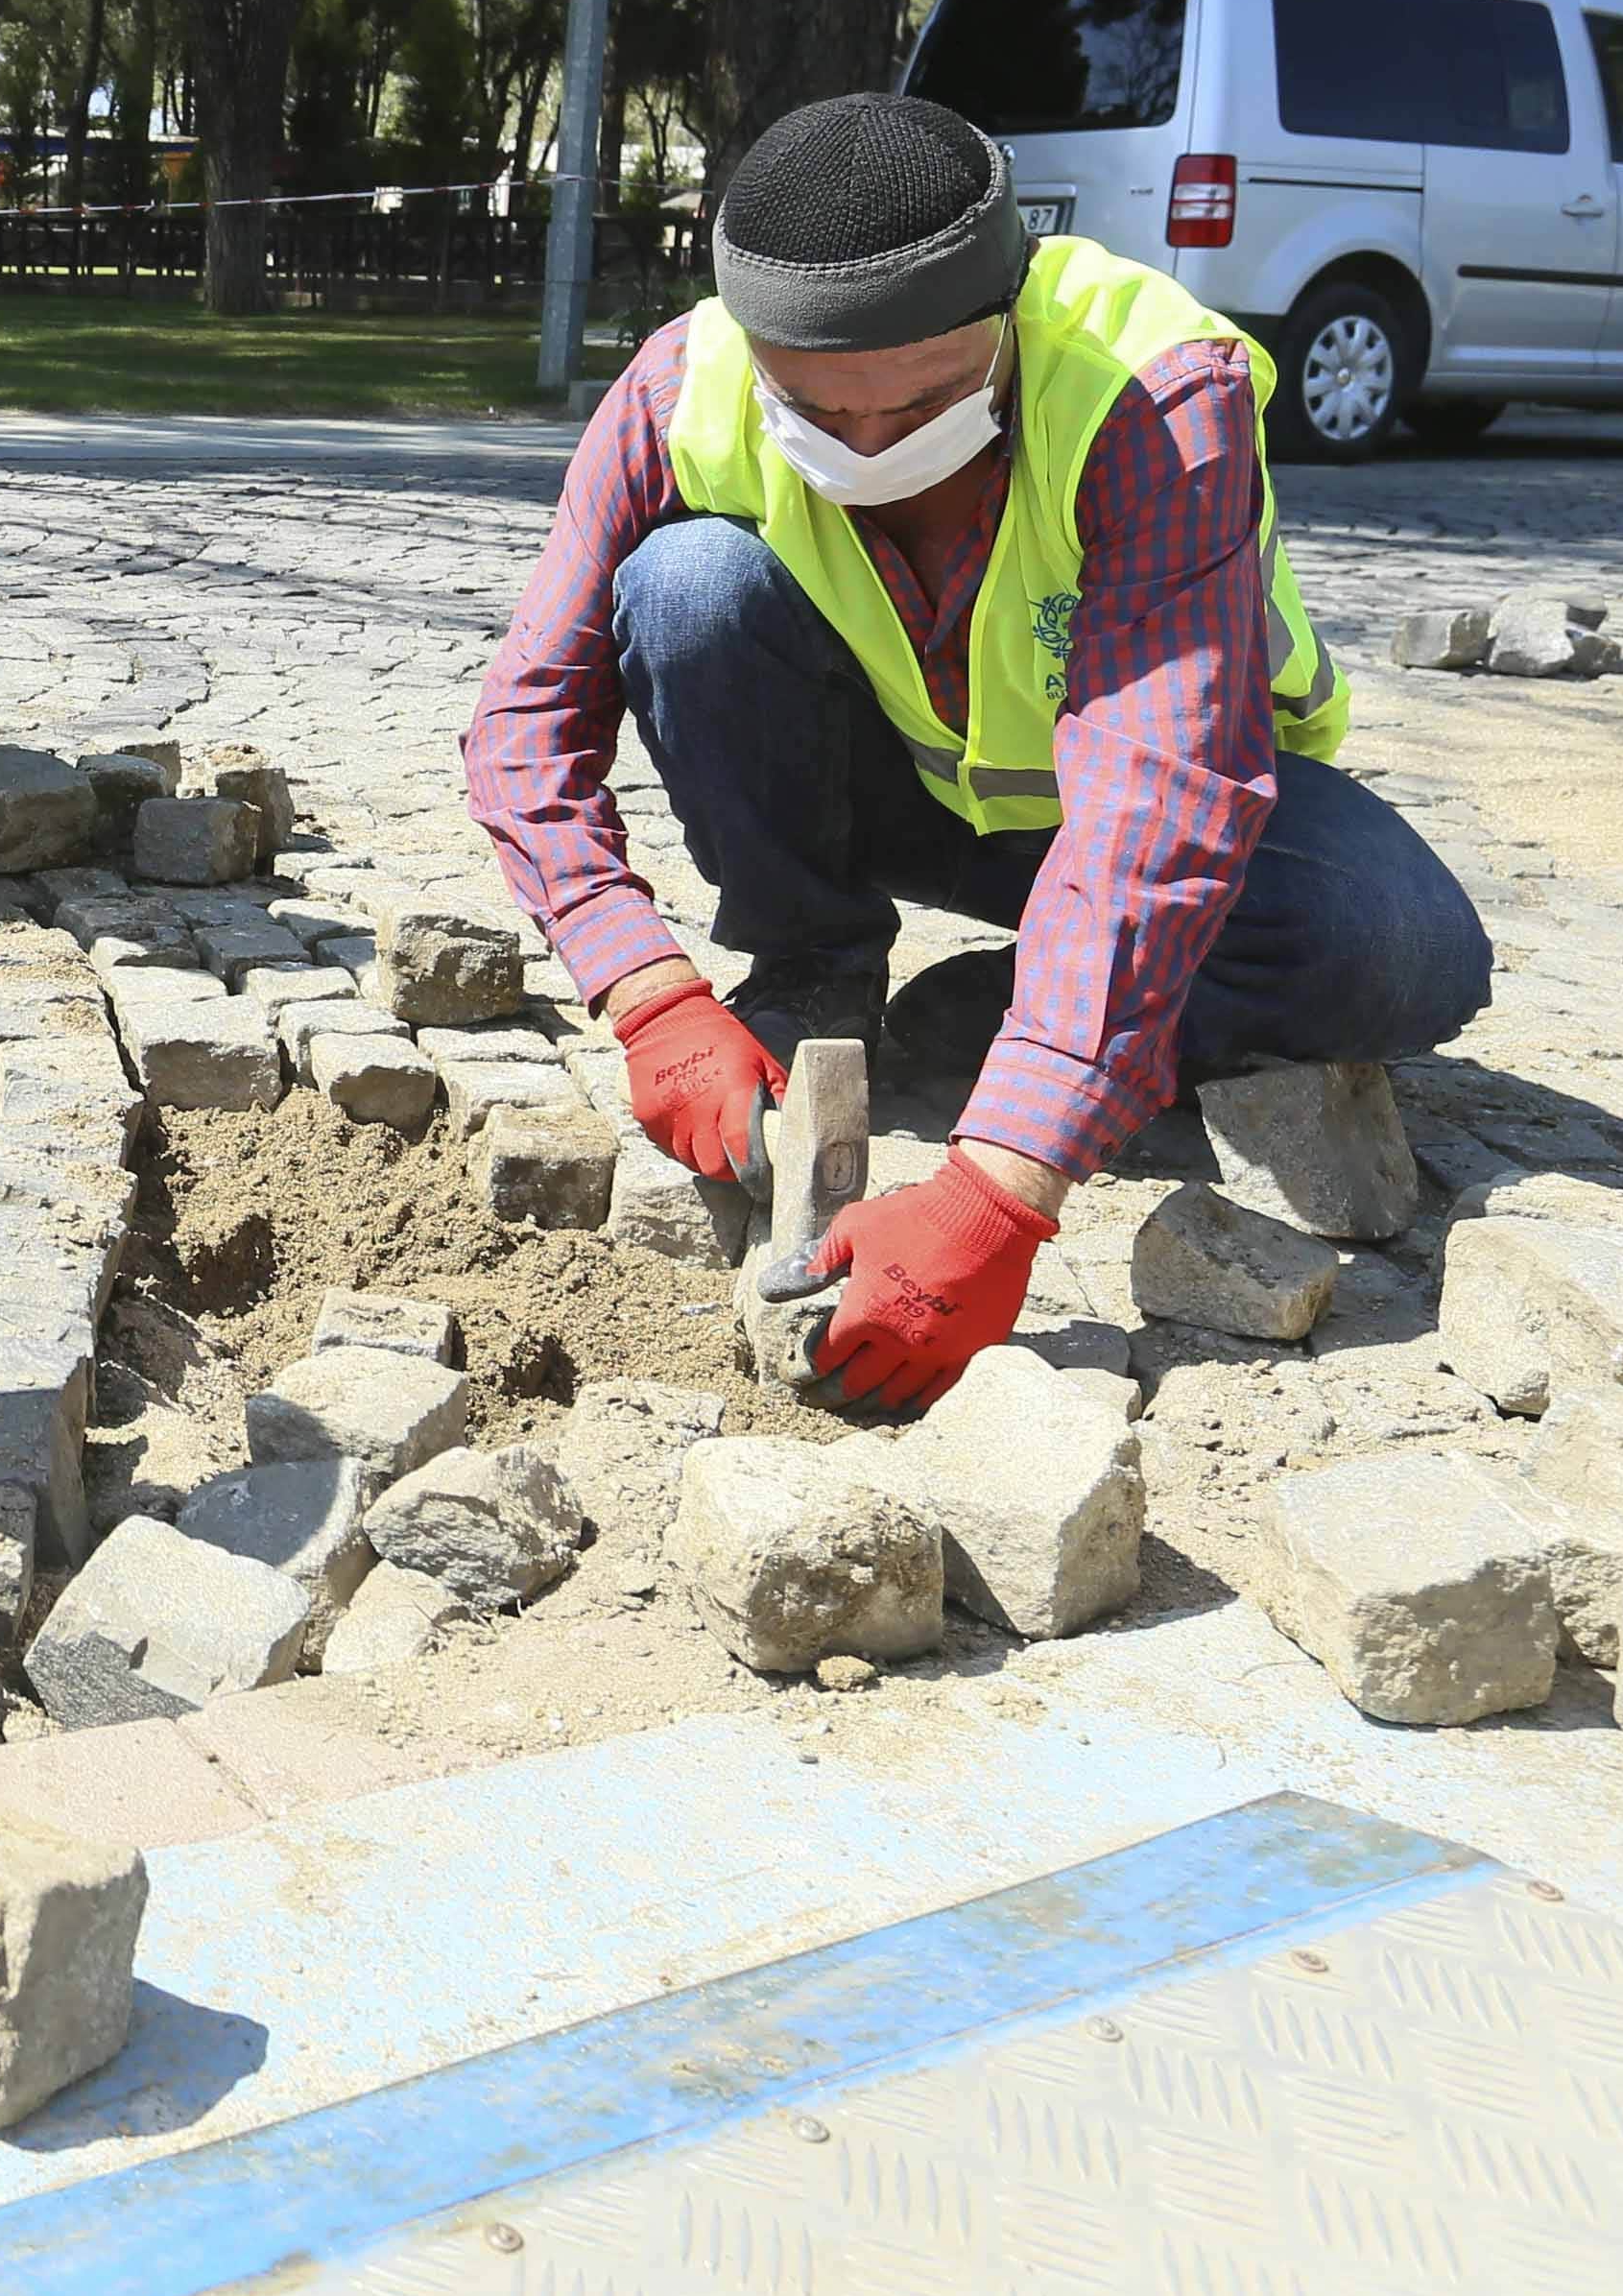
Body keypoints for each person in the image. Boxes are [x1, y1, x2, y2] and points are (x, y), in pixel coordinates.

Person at [464, 91, 1492, 1414]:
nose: (874, 453)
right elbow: (525, 722)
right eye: (821, 411)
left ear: (1006, 317)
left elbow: (1157, 807)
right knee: (688, 588)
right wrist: (643, 988)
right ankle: (818, 974)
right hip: (890, 787)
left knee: (1400, 949)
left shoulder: (1153, 389)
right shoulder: (683, 384)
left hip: (1162, 818)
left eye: (928, 402)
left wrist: (1002, 1182)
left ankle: (1032, 1022)